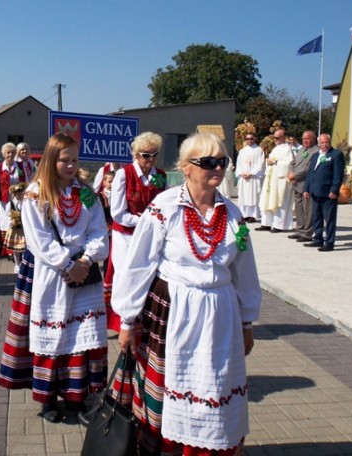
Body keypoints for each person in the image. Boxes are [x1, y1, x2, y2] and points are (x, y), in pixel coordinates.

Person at [112, 133, 261, 455]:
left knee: (217, 383)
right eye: (207, 162)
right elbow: (139, 265)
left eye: (222, 161)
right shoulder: (164, 208)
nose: (217, 168)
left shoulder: (233, 215)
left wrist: (247, 322)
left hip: (220, 314)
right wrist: (127, 319)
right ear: (185, 167)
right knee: (171, 386)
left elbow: (245, 271)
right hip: (172, 311)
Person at [0, 132, 109, 424]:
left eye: (74, 159)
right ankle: (47, 399)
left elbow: (99, 230)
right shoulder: (36, 193)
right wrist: (66, 264)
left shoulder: (85, 192)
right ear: (51, 159)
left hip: (83, 272)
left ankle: (76, 400)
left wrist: (84, 260)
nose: (71, 165)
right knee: (52, 334)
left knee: (80, 338)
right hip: (50, 272)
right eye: (64, 160)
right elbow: (38, 240)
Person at [106, 131, 168, 332]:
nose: (150, 159)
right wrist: (143, 220)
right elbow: (117, 213)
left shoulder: (161, 176)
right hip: (126, 235)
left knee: (150, 275)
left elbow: (167, 205)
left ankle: (144, 319)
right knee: (126, 275)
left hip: (150, 236)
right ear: (136, 155)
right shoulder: (124, 175)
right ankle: (124, 322)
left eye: (154, 154)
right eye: (145, 155)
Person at [303, 134, 345, 252]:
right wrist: (306, 189)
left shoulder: (336, 155)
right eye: (322, 143)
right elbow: (310, 173)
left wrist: (334, 190)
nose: (325, 145)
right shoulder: (316, 155)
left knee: (329, 219)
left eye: (327, 142)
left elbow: (338, 175)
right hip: (315, 192)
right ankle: (318, 238)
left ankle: (330, 242)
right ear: (318, 144)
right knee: (317, 217)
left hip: (328, 193)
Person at [0, 142, 28, 255]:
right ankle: (8, 250)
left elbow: (26, 182)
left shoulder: (20, 166)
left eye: (12, 152)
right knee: (6, 223)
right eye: (7, 153)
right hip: (4, 201)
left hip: (18, 201)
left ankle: (17, 248)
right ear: (3, 154)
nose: (10, 155)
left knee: (18, 223)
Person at [256, 129, 294, 232]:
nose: (275, 140)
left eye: (277, 138)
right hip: (271, 179)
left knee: (279, 201)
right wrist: (268, 162)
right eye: (274, 138)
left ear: (283, 137)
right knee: (267, 200)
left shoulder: (287, 149)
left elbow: (289, 163)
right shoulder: (275, 149)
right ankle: (266, 223)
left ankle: (279, 225)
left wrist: (276, 162)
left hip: (279, 179)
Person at [287, 131, 319, 242]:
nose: (305, 140)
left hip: (307, 184)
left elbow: (309, 168)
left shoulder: (316, 151)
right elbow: (293, 162)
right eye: (303, 138)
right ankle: (299, 230)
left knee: (308, 209)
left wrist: (294, 175)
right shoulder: (302, 150)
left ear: (314, 139)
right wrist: (291, 172)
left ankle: (308, 232)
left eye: (307, 138)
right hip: (296, 184)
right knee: (299, 209)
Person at [235, 134, 264, 222]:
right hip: (243, 177)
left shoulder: (259, 150)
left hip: (253, 177)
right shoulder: (242, 151)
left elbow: (260, 164)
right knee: (244, 195)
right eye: (247, 139)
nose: (249, 140)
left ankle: (253, 215)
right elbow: (239, 164)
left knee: (253, 196)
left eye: (251, 138)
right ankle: (244, 214)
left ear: (254, 139)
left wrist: (251, 173)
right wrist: (241, 173)